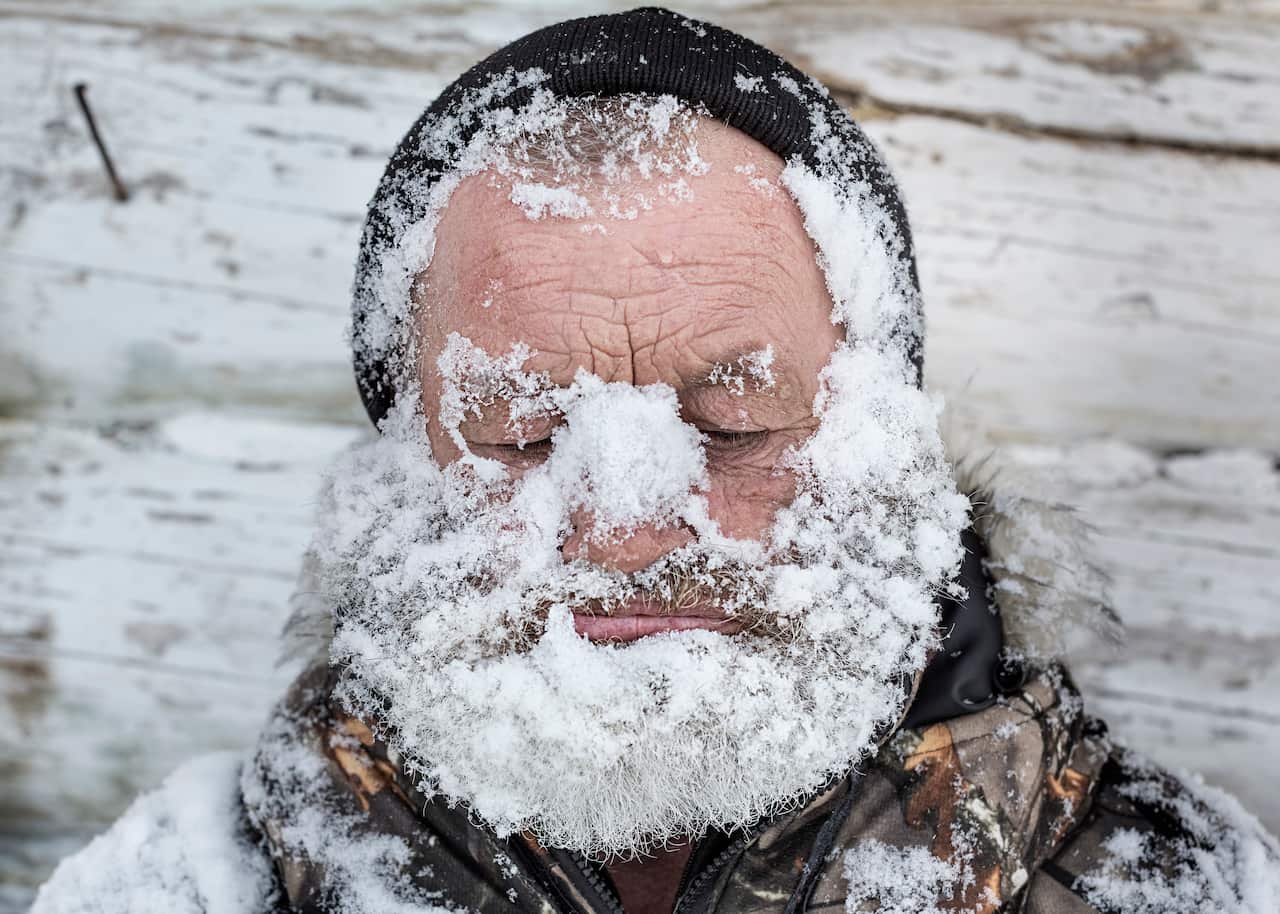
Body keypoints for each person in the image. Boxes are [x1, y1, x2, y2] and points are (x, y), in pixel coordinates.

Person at [31, 9, 1279, 914]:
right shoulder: (180, 885)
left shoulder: (1187, 886)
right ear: (402, 469)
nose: (625, 521)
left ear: (884, 437)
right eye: (521, 435)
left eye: (733, 424)